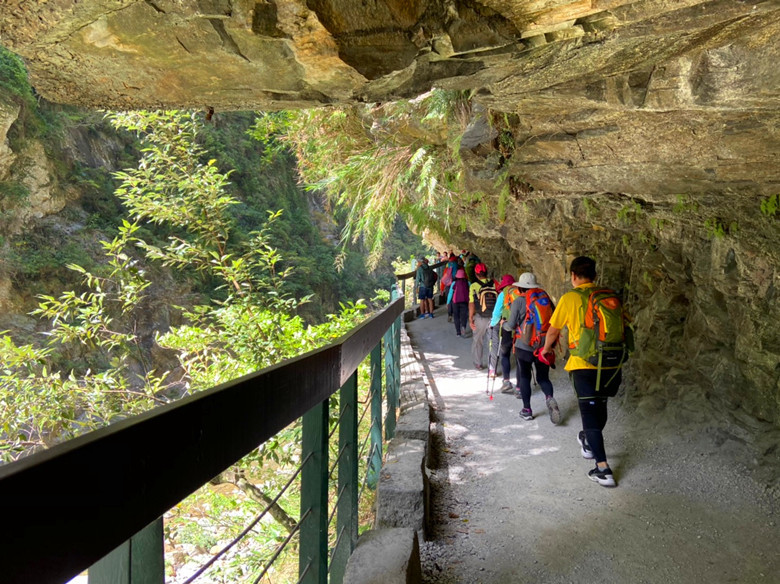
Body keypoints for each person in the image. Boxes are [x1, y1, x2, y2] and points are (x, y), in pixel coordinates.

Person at [541, 256, 620, 487]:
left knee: (589, 413)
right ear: (595, 275)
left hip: (584, 364)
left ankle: (603, 469)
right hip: (611, 362)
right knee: (600, 406)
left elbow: (553, 330)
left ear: (573, 275)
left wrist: (546, 349)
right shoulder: (609, 296)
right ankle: (587, 440)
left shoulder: (570, 298)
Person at [507, 272, 560, 423]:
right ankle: (549, 397)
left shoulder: (518, 302)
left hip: (523, 347)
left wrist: (504, 324)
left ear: (520, 288)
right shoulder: (545, 299)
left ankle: (527, 410)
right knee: (543, 377)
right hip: (543, 345)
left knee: (524, 377)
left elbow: (511, 325)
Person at [489, 274, 516, 392]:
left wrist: (492, 324)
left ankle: (506, 381)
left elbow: (496, 313)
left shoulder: (503, 294)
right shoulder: (520, 292)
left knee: (505, 354)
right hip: (521, 328)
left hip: (507, 327)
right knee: (519, 356)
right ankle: (520, 387)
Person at [468, 263, 496, 370]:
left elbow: (471, 303)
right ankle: (492, 367)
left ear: (476, 274)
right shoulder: (494, 284)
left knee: (478, 340)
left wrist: (471, 318)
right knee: (492, 342)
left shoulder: (473, 286)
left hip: (480, 317)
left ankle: (478, 363)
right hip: (493, 317)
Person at [447, 268, 470, 336]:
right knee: (464, 315)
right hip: (464, 302)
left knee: (456, 316)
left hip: (455, 302)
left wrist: (448, 302)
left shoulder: (454, 283)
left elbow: (450, 293)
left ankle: (458, 332)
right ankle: (463, 327)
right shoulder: (467, 283)